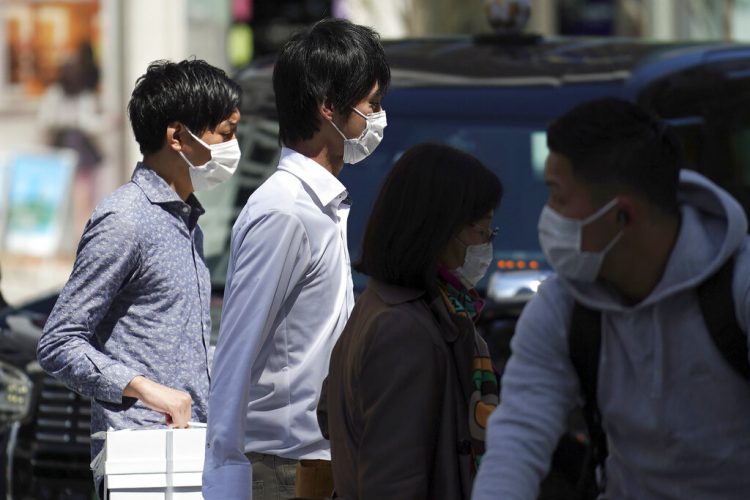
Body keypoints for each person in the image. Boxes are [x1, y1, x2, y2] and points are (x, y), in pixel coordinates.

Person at [473, 98, 750, 499]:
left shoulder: (739, 287)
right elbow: (519, 432)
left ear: (622, 215)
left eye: (559, 196)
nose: (548, 213)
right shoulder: (563, 306)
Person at [202, 18, 390, 500]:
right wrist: (224, 475)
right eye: (371, 104)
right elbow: (236, 351)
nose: (377, 118)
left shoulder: (320, 205)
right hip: (284, 471)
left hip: (323, 462)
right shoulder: (285, 210)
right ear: (329, 108)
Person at [36, 59, 241, 495]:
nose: (233, 146)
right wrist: (147, 390)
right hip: (143, 466)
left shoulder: (187, 224)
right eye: (225, 133)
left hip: (188, 459)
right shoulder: (125, 218)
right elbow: (58, 342)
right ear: (178, 137)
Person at [318, 143, 503, 499]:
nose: (487, 246)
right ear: (440, 230)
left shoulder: (388, 305)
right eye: (483, 231)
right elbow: (393, 479)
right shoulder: (405, 329)